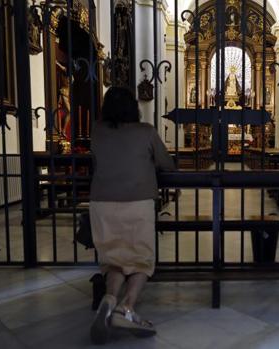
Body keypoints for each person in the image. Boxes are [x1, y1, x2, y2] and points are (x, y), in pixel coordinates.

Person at [89, 87, 175, 344]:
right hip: (137, 202)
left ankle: (109, 298)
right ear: (133, 107)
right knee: (141, 261)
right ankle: (125, 307)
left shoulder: (97, 131)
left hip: (102, 203)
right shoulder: (145, 131)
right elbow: (166, 164)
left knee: (113, 260)